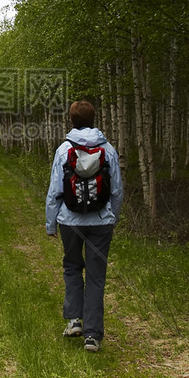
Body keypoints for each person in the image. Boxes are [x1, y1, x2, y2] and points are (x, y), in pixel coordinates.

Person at [45, 100, 123, 353]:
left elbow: (55, 192)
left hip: (70, 221)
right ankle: (93, 336)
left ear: (72, 120)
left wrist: (50, 223)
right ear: (93, 119)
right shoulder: (108, 149)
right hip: (101, 222)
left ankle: (75, 321)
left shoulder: (63, 150)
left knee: (72, 267)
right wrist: (112, 217)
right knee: (96, 276)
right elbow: (118, 190)